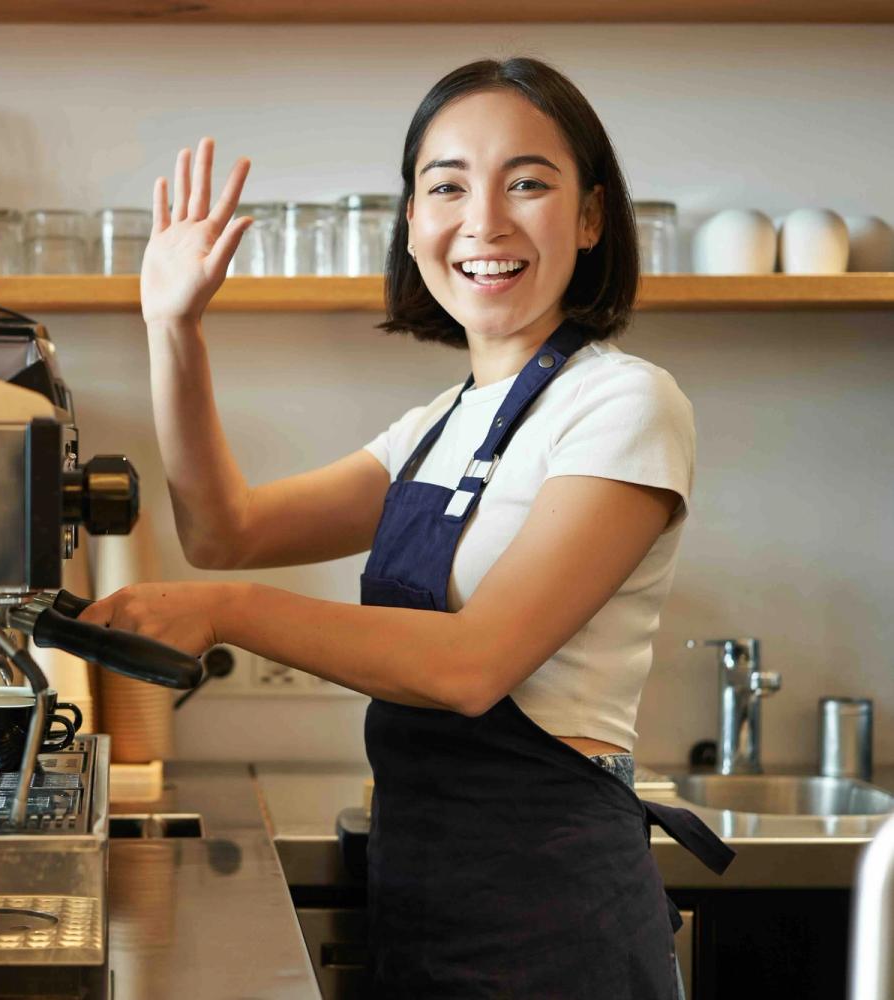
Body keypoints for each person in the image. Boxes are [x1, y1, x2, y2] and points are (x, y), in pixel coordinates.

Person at [79, 57, 733, 997]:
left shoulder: (625, 403)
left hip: (557, 915)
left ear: (591, 218)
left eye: (528, 183)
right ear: (415, 222)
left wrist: (224, 612)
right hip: (424, 890)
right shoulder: (440, 423)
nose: (485, 221)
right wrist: (171, 326)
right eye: (448, 186)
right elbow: (226, 531)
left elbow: (470, 666)